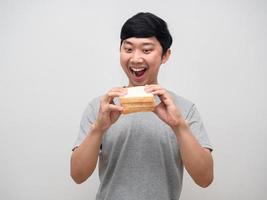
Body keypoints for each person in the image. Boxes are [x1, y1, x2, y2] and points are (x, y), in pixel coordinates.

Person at [70, 12, 213, 200]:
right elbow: (78, 175)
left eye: (146, 50)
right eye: (128, 49)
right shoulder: (101, 107)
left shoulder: (184, 109)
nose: (136, 59)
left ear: (165, 55)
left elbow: (205, 179)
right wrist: (98, 129)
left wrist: (179, 126)